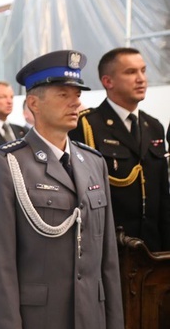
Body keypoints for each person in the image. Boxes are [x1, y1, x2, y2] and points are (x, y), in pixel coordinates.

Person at [0, 50, 124, 329]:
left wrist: (113, 322)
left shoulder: (93, 163)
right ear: (34, 104)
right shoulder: (6, 164)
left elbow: (106, 254)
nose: (75, 101)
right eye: (63, 93)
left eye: (77, 94)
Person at [70, 47, 170, 253]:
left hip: (153, 248)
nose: (141, 79)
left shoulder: (153, 126)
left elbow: (162, 195)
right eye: (131, 72)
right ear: (108, 81)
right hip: (112, 247)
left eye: (143, 70)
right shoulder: (88, 125)